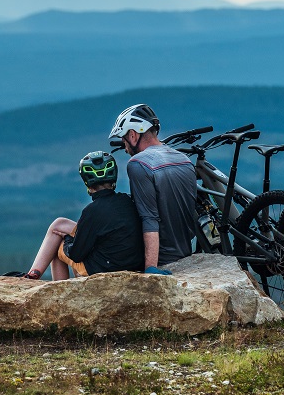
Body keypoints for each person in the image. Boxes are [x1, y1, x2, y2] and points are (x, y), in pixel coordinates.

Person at [13, 151, 145, 280]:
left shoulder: (92, 211)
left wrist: (67, 240)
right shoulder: (127, 200)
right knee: (59, 223)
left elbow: (76, 254)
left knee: (57, 248)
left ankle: (40, 279)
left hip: (105, 267)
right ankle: (34, 273)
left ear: (87, 181)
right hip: (132, 263)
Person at [110, 104, 201, 275]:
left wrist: (151, 267)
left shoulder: (138, 164)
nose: (125, 146)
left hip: (162, 259)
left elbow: (149, 217)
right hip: (185, 252)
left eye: (124, 139)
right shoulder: (183, 159)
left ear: (133, 134)